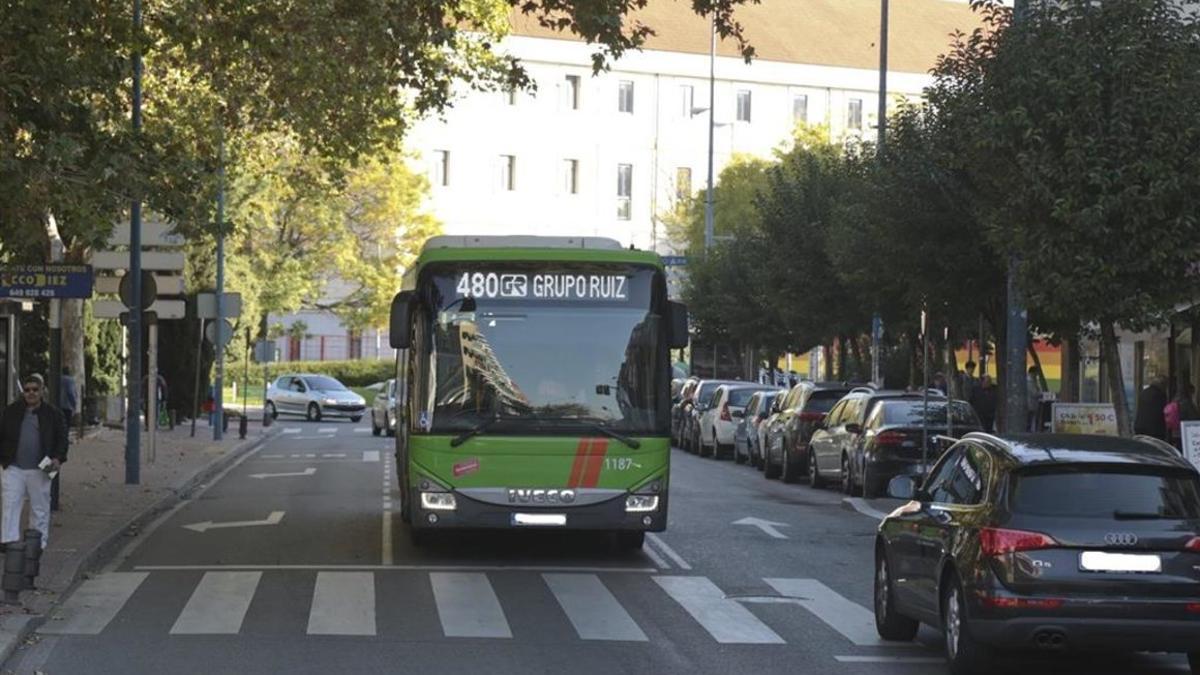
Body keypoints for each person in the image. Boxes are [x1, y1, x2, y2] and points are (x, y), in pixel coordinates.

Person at [0, 374, 69, 550]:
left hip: (43, 466)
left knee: (41, 506)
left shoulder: (53, 414)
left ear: (42, 391)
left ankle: (38, 543)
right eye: (27, 390)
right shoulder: (11, 411)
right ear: (23, 392)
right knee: (10, 503)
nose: (31, 393)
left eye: (35, 390)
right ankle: (9, 542)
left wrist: (57, 458)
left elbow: (62, 439)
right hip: (13, 466)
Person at [1134, 375, 1169, 440]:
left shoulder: (1144, 392)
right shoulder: (1160, 395)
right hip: (1154, 430)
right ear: (1162, 385)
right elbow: (1162, 411)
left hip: (1140, 426)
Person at [1164, 383, 1199, 450]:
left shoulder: (1175, 400)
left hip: (1175, 431)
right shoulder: (1187, 403)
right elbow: (1193, 417)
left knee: (1178, 449)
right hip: (1184, 431)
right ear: (1189, 392)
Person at [1027, 366, 1043, 432]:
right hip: (1030, 404)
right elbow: (1035, 393)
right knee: (1030, 421)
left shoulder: (1033, 381)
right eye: (1036, 373)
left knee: (1030, 420)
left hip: (1032, 404)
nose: (1037, 375)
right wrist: (1040, 393)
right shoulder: (1030, 381)